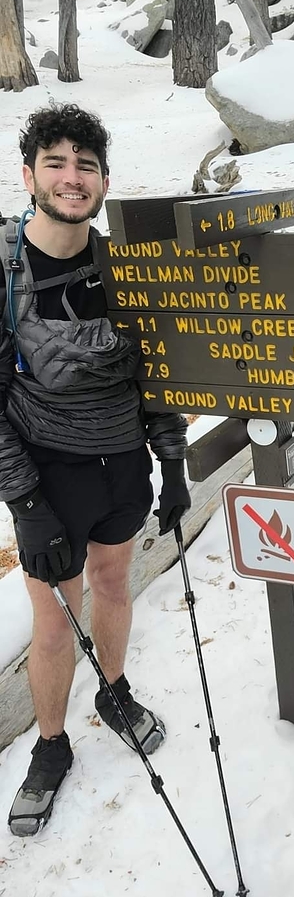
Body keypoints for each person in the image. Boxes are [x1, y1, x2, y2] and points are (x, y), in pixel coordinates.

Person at [1, 103, 191, 837]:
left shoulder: (124, 265)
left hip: (124, 467)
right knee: (53, 625)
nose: (72, 177)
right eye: (56, 162)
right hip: (49, 474)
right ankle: (50, 746)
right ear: (30, 176)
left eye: (85, 164)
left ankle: (114, 693)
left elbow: (161, 375)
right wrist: (26, 503)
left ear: (105, 180)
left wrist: (172, 466)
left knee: (114, 583)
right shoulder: (5, 266)